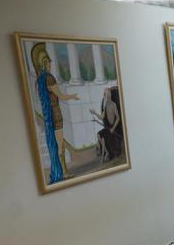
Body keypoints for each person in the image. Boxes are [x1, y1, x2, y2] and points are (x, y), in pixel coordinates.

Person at [30, 43, 79, 184]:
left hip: (49, 116)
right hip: (55, 116)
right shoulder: (49, 78)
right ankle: (63, 173)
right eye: (48, 62)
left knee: (58, 145)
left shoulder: (39, 80)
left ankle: (61, 171)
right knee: (60, 145)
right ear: (44, 64)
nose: (50, 65)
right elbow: (61, 96)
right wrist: (72, 96)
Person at [91, 86, 123, 162]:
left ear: (108, 95)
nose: (103, 95)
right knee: (99, 135)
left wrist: (113, 128)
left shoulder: (113, 104)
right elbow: (102, 117)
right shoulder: (105, 106)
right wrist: (95, 113)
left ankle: (107, 154)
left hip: (114, 129)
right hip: (108, 128)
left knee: (103, 139)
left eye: (105, 94)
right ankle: (107, 152)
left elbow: (118, 118)